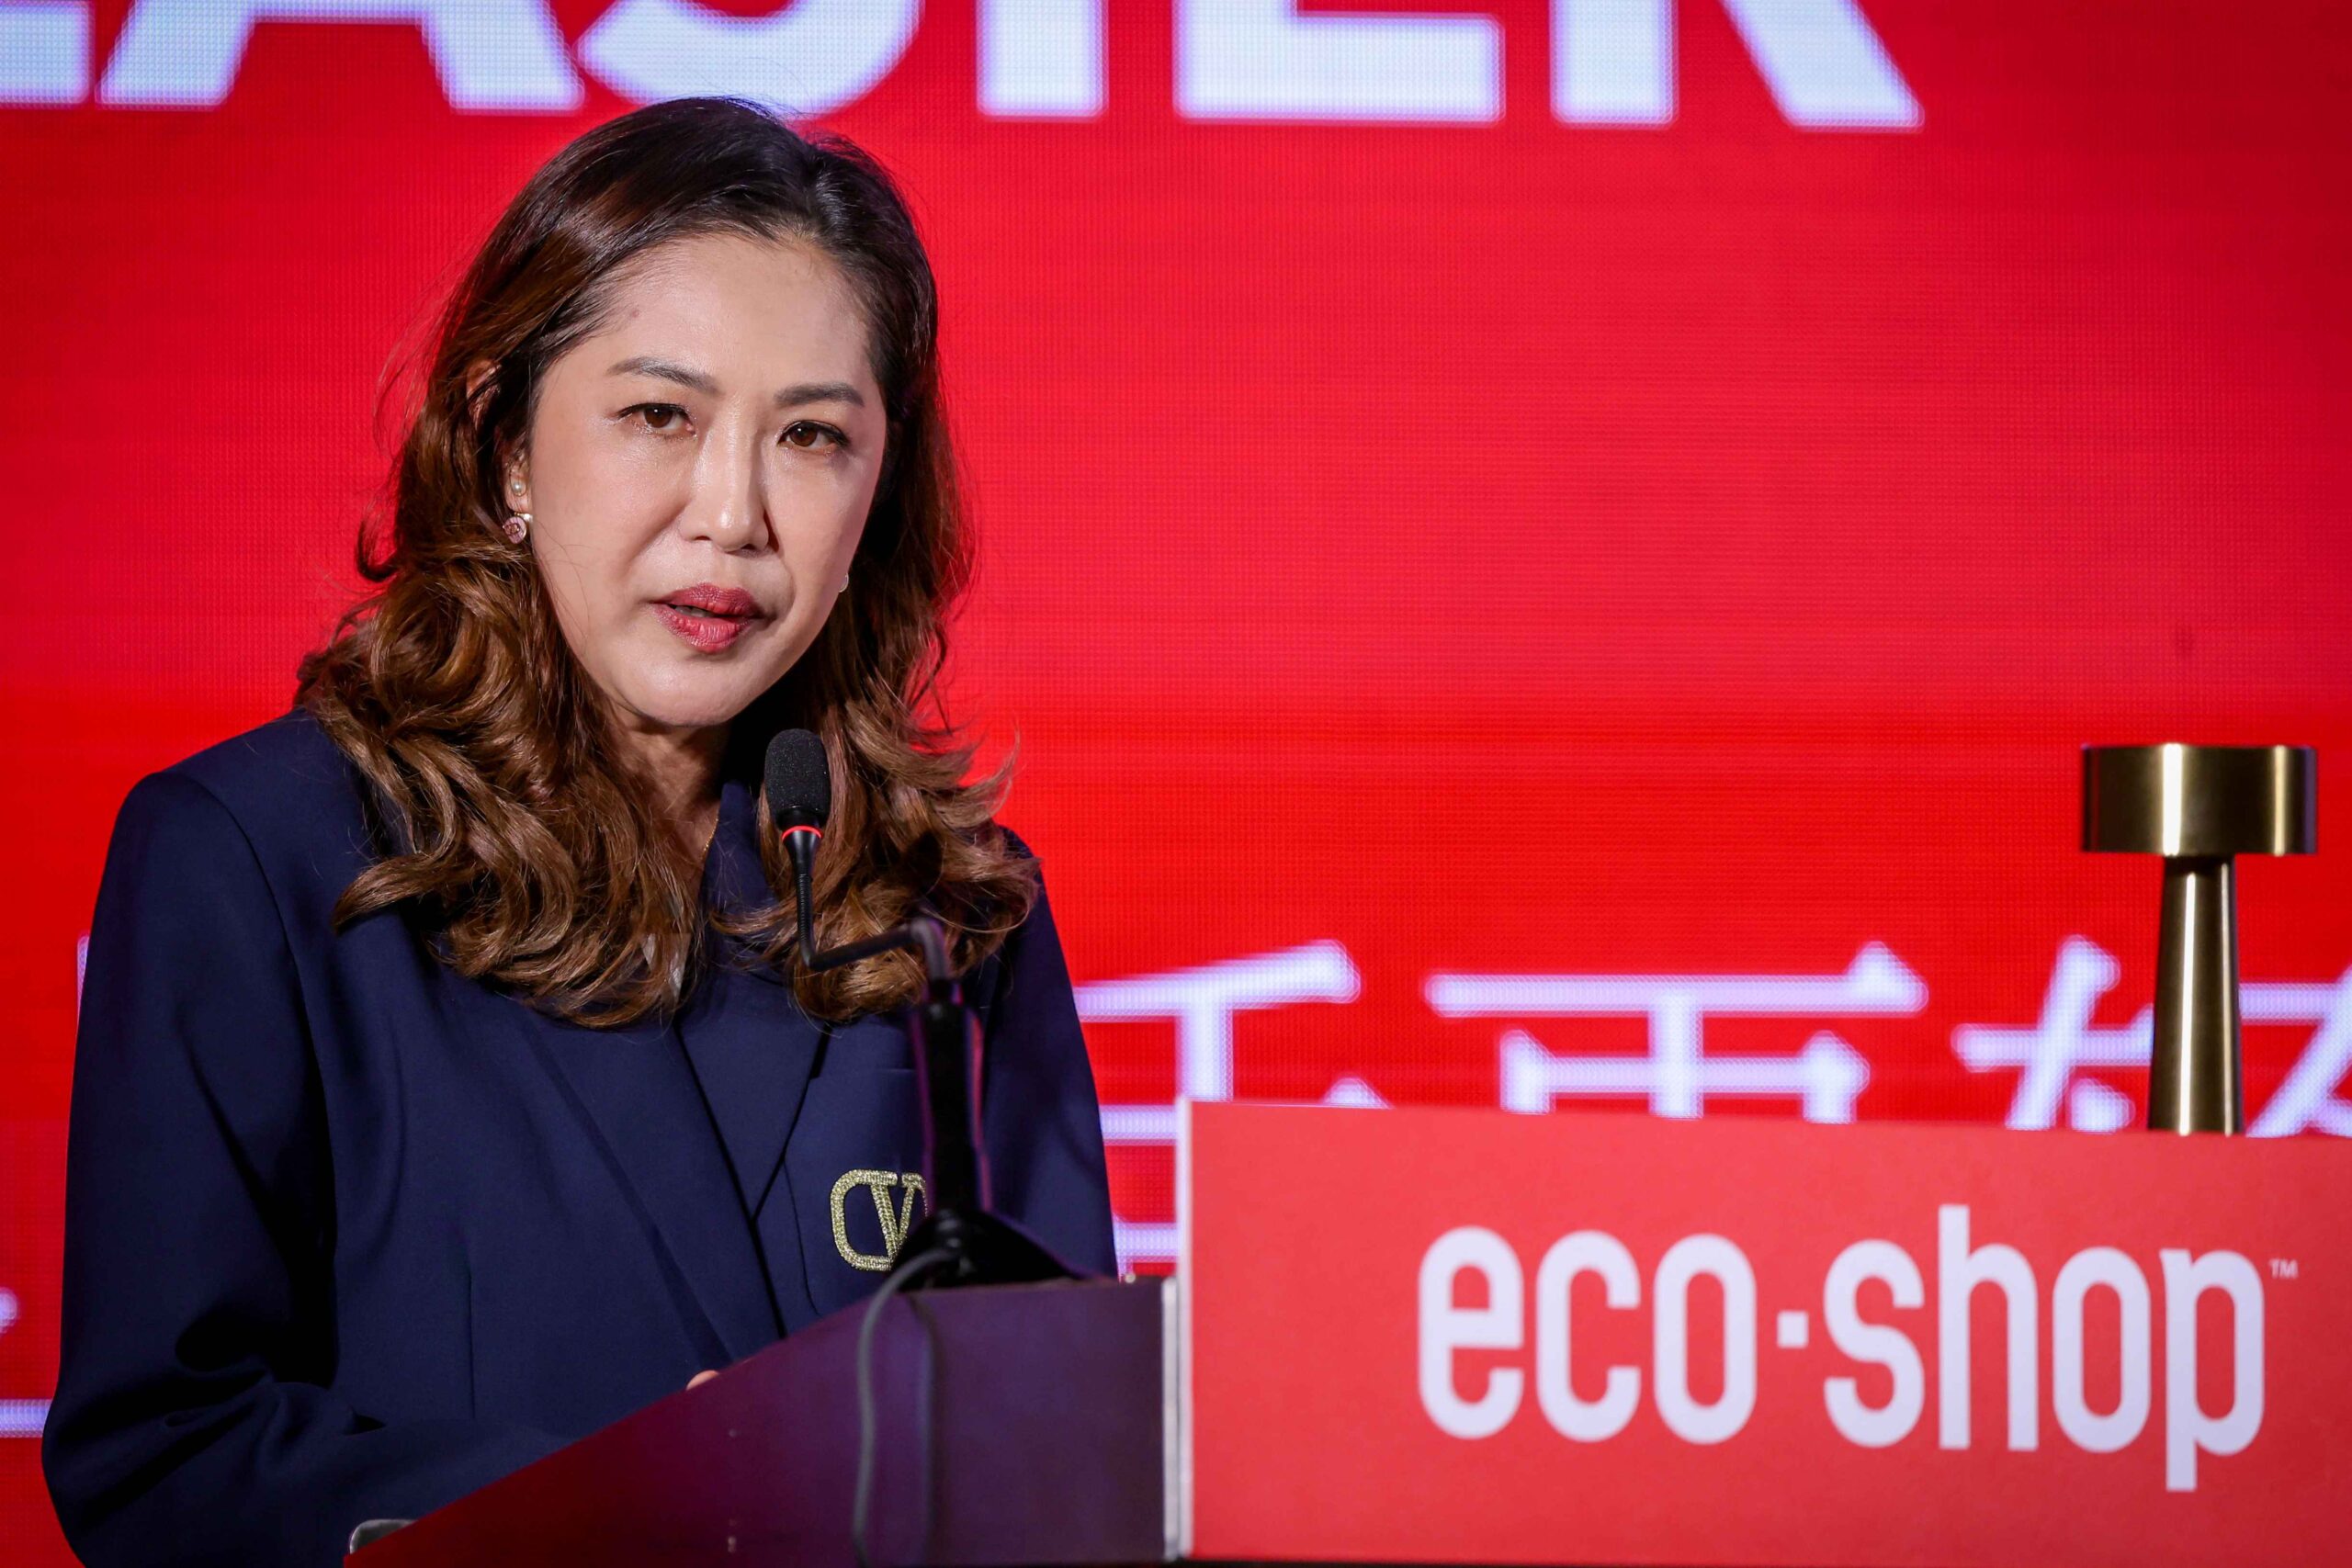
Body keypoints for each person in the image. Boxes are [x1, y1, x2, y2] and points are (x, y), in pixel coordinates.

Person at [41, 96, 1116, 1568]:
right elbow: (167, 1451)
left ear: (879, 491)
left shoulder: (954, 905)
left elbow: (1063, 1456)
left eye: (811, 437)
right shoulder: (253, 857)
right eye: (660, 417)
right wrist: (627, 1496)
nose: (731, 515)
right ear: (507, 449)